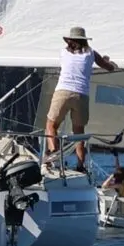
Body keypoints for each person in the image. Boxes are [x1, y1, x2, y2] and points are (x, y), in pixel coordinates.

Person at [47, 26, 117, 170]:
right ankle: (80, 165)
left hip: (63, 92)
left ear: (70, 41)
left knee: (51, 125)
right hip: (81, 95)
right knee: (79, 132)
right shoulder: (91, 53)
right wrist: (107, 61)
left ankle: (53, 155)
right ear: (85, 41)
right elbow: (109, 67)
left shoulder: (63, 53)